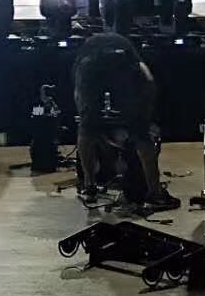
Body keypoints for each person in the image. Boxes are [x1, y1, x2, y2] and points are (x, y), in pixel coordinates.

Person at [73, 32, 179, 212]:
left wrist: (85, 117)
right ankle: (155, 193)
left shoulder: (87, 54)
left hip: (90, 68)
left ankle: (89, 186)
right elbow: (148, 80)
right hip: (122, 69)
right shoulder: (129, 53)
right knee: (141, 135)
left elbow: (78, 91)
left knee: (86, 130)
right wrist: (144, 117)